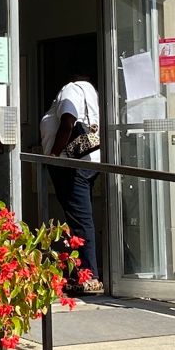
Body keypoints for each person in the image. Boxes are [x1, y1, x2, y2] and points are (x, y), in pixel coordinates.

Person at [39, 71, 104, 295]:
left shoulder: (70, 89)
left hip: (71, 165)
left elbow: (68, 120)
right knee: (81, 219)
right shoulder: (91, 92)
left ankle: (89, 276)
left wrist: (54, 155)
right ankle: (85, 273)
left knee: (80, 221)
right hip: (89, 161)